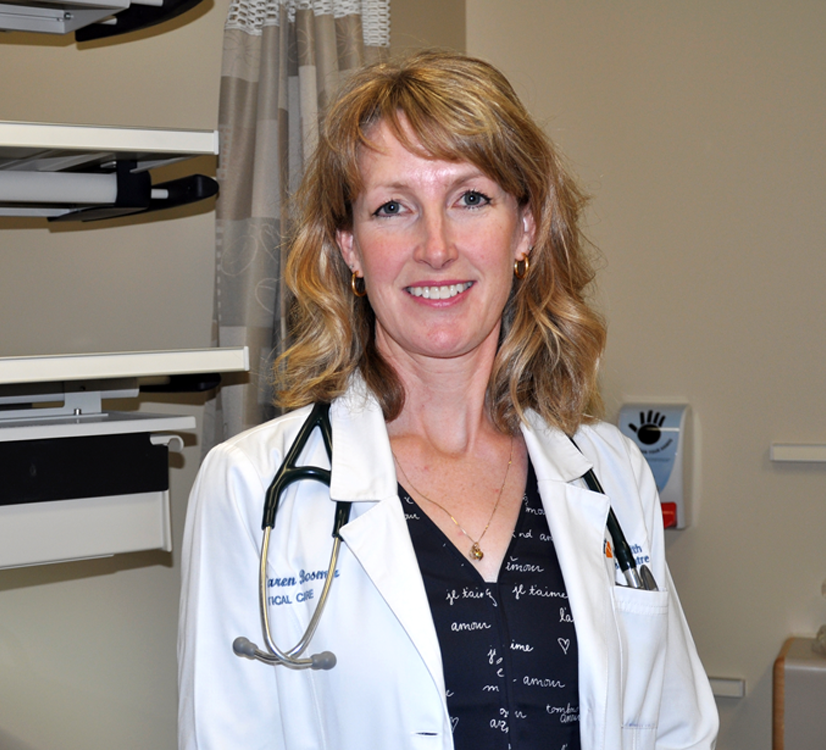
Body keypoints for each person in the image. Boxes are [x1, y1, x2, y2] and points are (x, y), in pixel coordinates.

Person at [178, 50, 718, 750]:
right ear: (349, 247)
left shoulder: (611, 474)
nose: (435, 248)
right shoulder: (250, 489)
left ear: (525, 229)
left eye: (471, 199)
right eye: (393, 207)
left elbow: (675, 732)